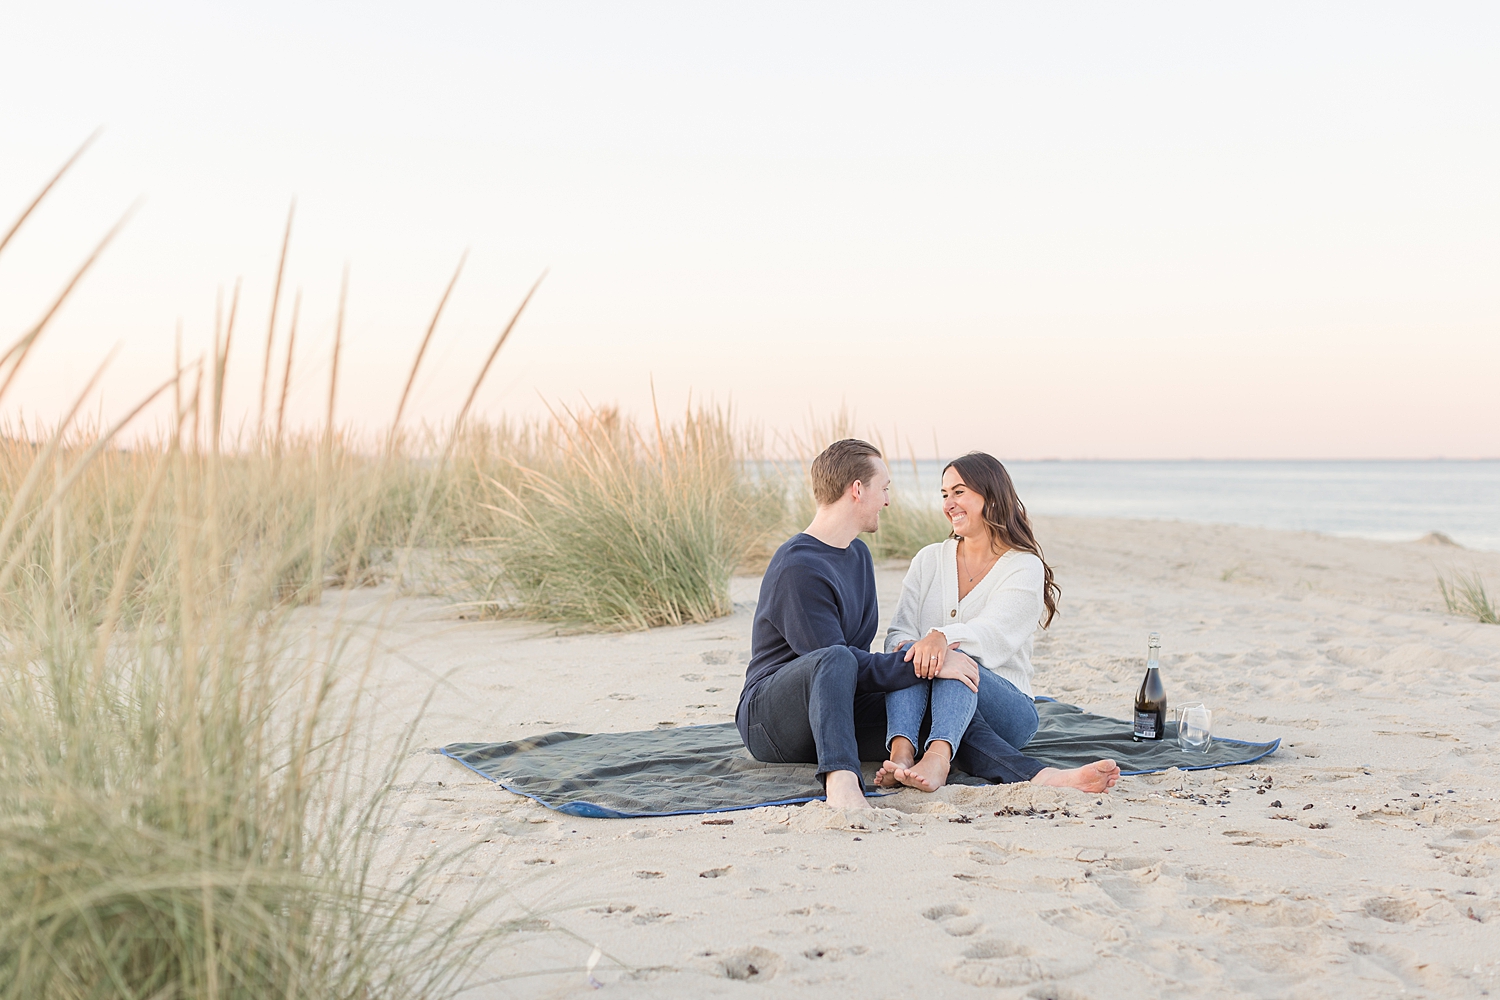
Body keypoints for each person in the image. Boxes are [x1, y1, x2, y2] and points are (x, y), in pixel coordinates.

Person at [736, 439, 1118, 812]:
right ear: (857, 490)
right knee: (856, 659)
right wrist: (933, 654)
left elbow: (878, 662)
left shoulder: (858, 556)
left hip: (839, 709)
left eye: (958, 492)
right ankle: (841, 780)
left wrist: (934, 652)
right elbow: (832, 662)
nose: (888, 499)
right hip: (774, 721)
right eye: (883, 488)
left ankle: (1033, 775)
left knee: (937, 712)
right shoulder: (798, 566)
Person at [875, 451, 1119, 794]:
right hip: (930, 708)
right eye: (944, 494)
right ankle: (903, 753)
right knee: (908, 652)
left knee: (959, 660)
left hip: (1007, 708)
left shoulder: (1023, 567)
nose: (949, 504)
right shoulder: (928, 559)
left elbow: (995, 637)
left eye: (959, 492)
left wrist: (941, 640)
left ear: (990, 495)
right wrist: (918, 648)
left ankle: (939, 755)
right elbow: (897, 633)